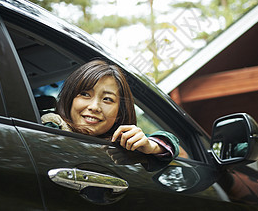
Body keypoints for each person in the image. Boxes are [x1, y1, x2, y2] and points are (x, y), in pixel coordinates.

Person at [41, 60, 179, 160]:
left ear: (120, 113)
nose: (94, 107)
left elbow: (170, 140)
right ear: (69, 99)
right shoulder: (49, 125)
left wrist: (151, 147)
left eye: (107, 99)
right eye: (85, 94)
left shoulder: (122, 143)